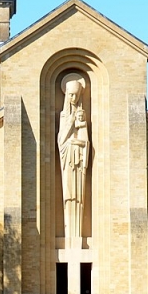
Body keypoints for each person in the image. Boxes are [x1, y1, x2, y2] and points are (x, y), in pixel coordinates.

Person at [57, 76, 91, 238]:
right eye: (71, 94)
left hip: (79, 161)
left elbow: (86, 141)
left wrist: (81, 127)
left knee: (79, 195)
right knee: (69, 192)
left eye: (76, 95)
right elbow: (61, 140)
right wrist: (72, 120)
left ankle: (77, 235)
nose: (74, 98)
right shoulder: (64, 116)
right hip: (68, 160)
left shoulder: (81, 116)